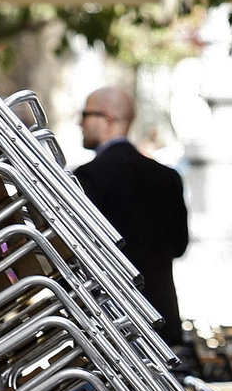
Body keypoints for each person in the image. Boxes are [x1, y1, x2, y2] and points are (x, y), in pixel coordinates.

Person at [73, 86, 189, 347]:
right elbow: (179, 246)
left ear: (108, 119)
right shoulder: (168, 178)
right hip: (161, 318)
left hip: (112, 322)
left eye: (86, 114)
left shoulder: (89, 176)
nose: (80, 122)